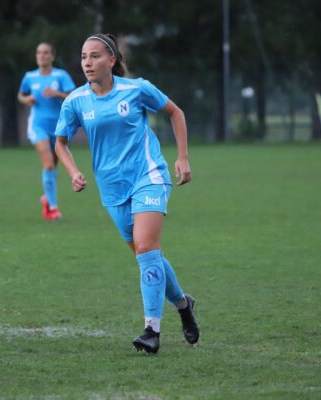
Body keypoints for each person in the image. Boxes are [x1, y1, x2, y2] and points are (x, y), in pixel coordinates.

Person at [55, 34, 199, 354]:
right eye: (83, 57)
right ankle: (183, 304)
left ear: (111, 60)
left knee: (147, 246)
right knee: (148, 256)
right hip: (112, 189)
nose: (88, 63)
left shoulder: (135, 89)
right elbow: (60, 142)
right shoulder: (76, 100)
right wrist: (73, 172)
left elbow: (176, 112)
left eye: (94, 56)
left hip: (148, 176)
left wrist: (183, 156)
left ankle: (151, 330)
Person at [18, 42, 76, 220]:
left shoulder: (61, 75)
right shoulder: (30, 77)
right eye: (38, 52)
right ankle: (52, 208)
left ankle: (46, 198)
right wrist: (26, 99)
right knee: (48, 164)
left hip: (59, 127)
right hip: (38, 126)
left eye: (45, 53)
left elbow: (73, 96)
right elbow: (21, 95)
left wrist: (57, 94)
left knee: (53, 167)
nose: (41, 56)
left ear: (52, 56)